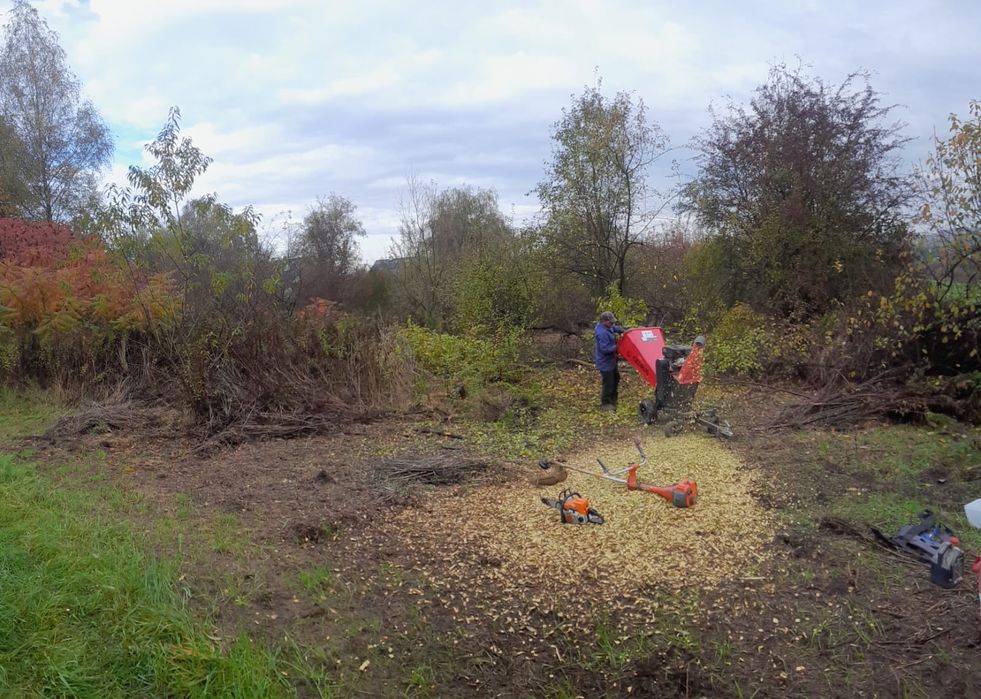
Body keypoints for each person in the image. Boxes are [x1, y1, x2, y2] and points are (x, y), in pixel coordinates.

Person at [594, 311, 626, 410]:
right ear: (604, 321)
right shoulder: (602, 333)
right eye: (610, 322)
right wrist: (617, 347)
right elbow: (605, 349)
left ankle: (613, 400)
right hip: (605, 362)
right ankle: (606, 404)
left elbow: (615, 328)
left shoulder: (608, 327)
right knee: (608, 382)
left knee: (616, 378)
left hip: (612, 360)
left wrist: (625, 330)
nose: (612, 324)